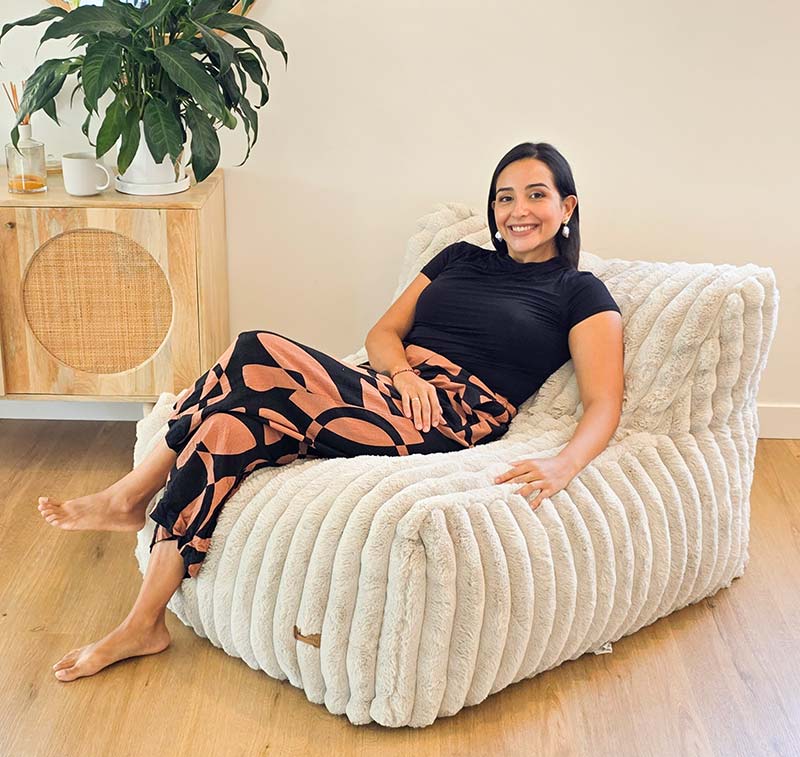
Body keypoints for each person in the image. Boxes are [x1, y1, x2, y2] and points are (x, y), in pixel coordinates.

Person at [38, 141, 623, 682]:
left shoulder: (580, 292)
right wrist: (403, 372)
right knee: (224, 427)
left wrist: (564, 464)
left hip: (446, 416)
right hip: (386, 388)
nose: (518, 210)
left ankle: (131, 495)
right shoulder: (458, 258)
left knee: (255, 348)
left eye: (536, 195)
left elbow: (603, 402)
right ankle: (144, 623)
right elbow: (382, 332)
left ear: (567, 205)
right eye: (505, 197)